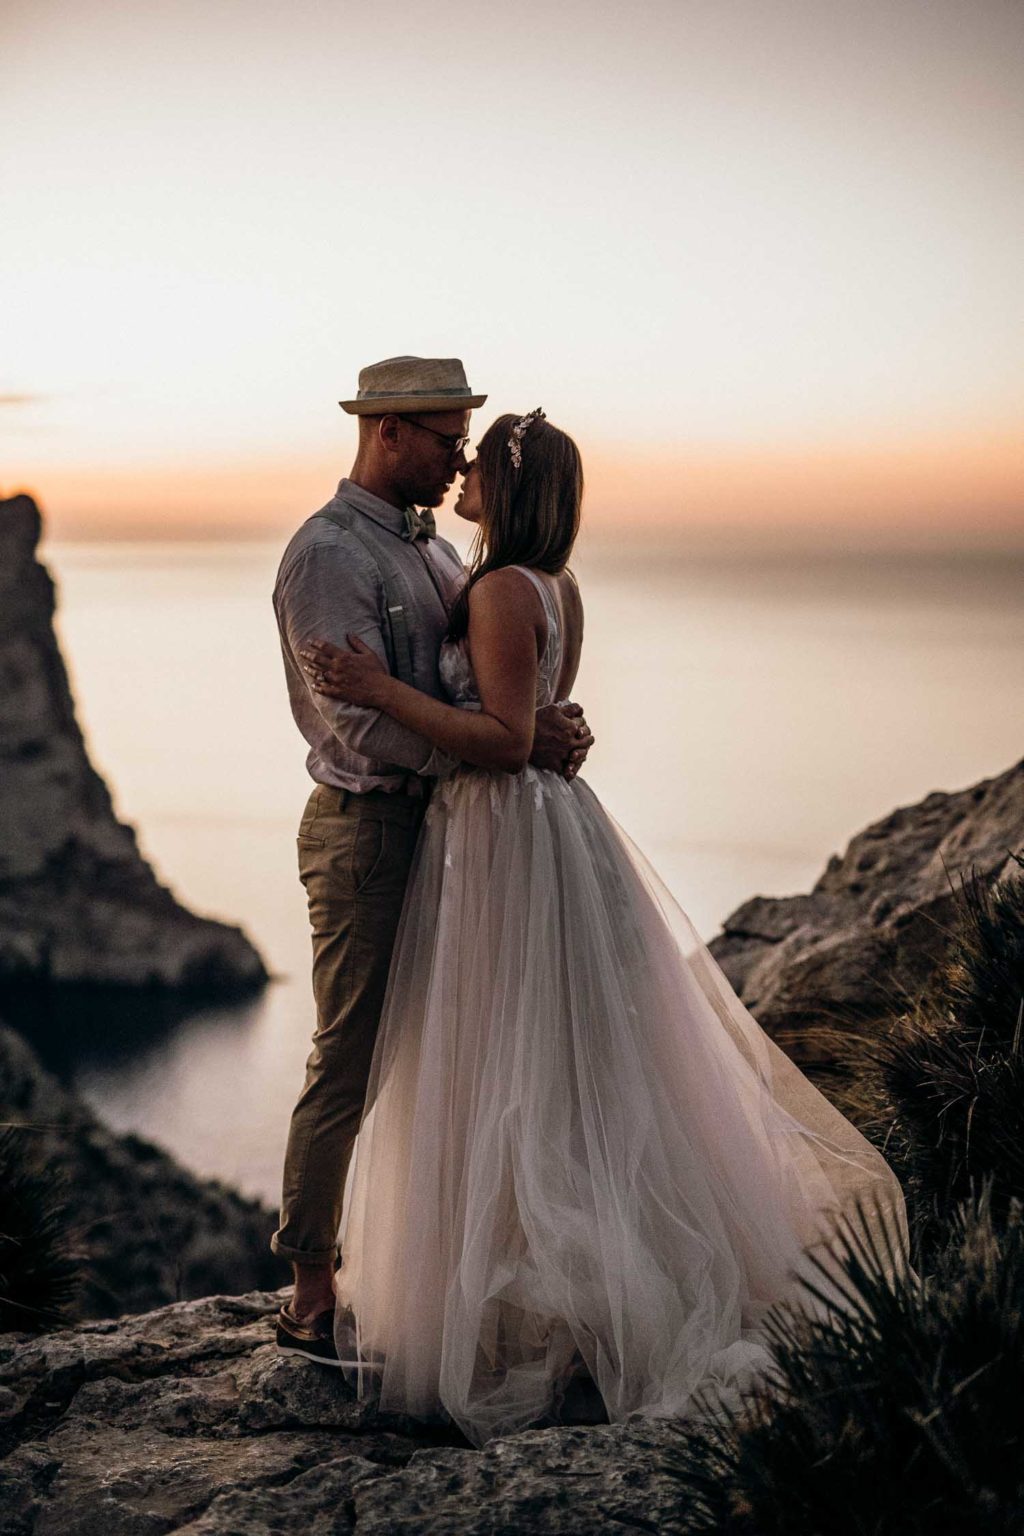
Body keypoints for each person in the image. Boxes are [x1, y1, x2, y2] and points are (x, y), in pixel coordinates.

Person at [302, 408, 911, 1449]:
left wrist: (379, 689)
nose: (460, 473)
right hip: (537, 832)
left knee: (509, 1059)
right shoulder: (551, 585)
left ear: (510, 485)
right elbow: (533, 719)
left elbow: (501, 740)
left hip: (501, 836)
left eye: (476, 461)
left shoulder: (496, 586)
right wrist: (536, 729)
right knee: (557, 1058)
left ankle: (540, 1303)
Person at [271, 361, 593, 1365]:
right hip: (369, 832)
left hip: (455, 833)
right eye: (448, 436)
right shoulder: (326, 555)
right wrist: (508, 739)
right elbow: (354, 721)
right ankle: (313, 1288)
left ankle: (444, 1271)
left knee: (454, 1052)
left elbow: (507, 676)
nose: (461, 453)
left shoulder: (447, 554)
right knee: (351, 1059)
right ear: (390, 433)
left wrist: (530, 726)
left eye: (467, 441)